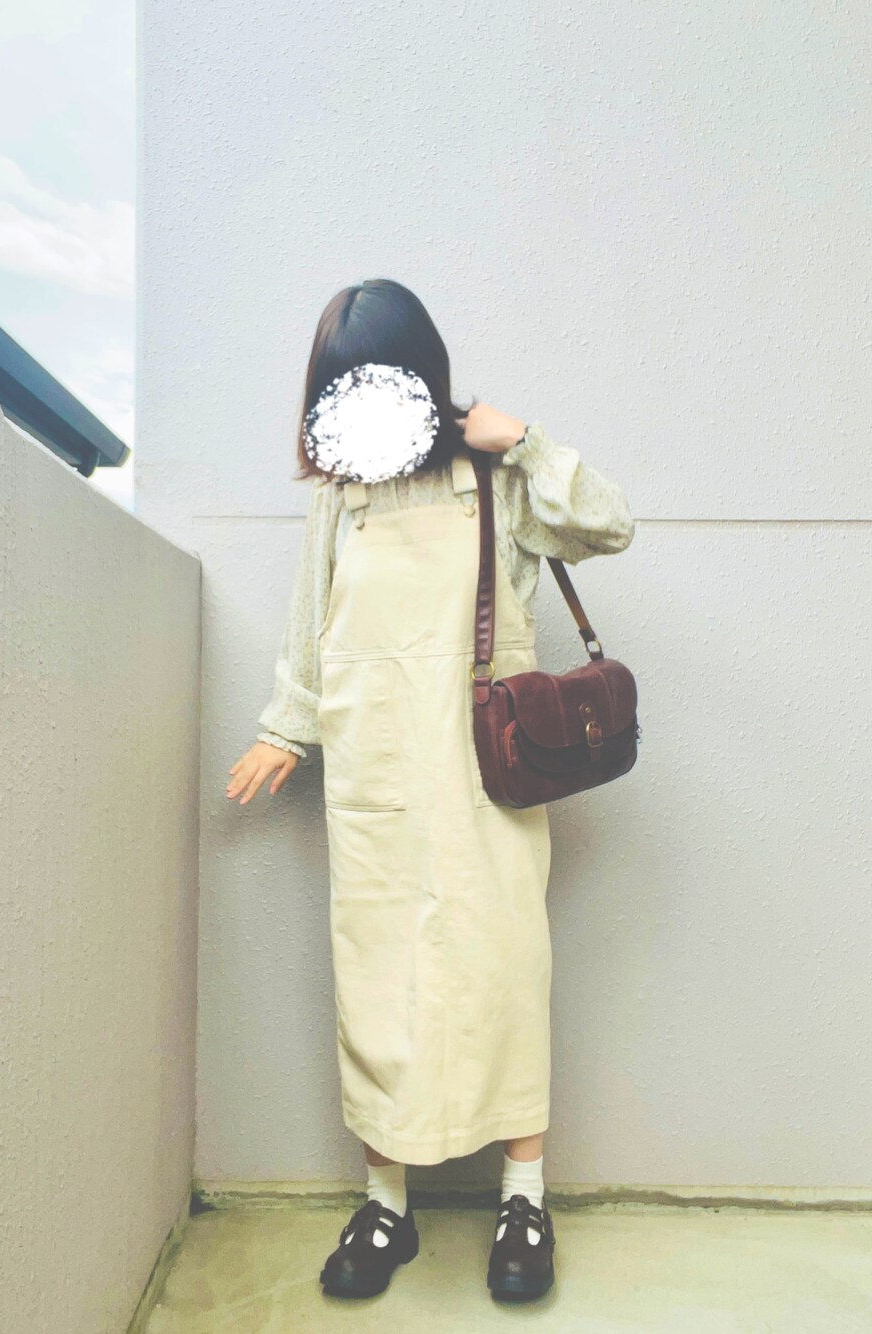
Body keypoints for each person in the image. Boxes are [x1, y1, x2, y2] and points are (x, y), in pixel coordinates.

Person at [226, 278, 635, 1302]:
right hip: (374, 776)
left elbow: (609, 525)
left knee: (505, 975)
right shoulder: (342, 494)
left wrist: (527, 441)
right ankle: (386, 1207)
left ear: (419, 375)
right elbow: (310, 621)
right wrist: (284, 727)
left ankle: (523, 1198)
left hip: (487, 774)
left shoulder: (494, 476)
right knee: (380, 983)